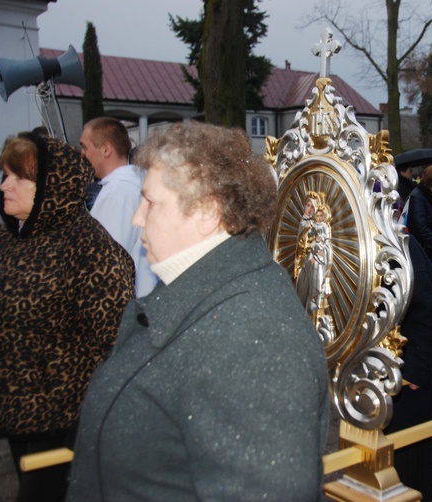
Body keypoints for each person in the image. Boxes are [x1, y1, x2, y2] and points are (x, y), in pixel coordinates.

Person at [67, 122, 329, 501]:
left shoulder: (255, 339)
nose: (136, 219)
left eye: (150, 203)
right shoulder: (205, 293)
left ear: (207, 212)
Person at [0, 132, 135, 501]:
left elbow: (119, 339)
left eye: (18, 177)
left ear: (51, 185)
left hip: (64, 422)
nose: (5, 185)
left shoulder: (88, 246)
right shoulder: (7, 240)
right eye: (4, 175)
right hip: (16, 414)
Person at [384, 234, 432, 501]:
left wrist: (417, 368)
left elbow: (428, 307)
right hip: (369, 384)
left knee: (410, 477)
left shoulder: (399, 241)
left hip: (406, 387)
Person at [80, 117, 157, 297]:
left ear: (106, 149)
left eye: (84, 147)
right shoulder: (139, 181)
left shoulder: (117, 192)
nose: (81, 154)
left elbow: (102, 263)